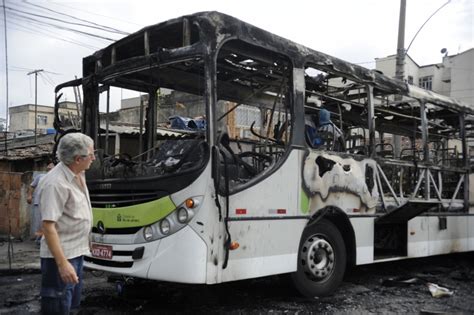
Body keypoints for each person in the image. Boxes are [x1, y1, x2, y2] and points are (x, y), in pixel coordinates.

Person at [38, 133, 95, 314]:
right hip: (61, 257)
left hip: (77, 251)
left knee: (71, 304)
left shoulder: (77, 172)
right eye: (91, 154)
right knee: (58, 303)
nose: (94, 158)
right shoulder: (55, 183)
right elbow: (48, 227)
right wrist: (62, 264)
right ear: (78, 159)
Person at [27, 161, 54, 246]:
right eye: (49, 164)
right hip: (38, 203)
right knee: (38, 223)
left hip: (50, 204)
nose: (50, 166)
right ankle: (39, 241)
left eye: (52, 165)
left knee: (47, 222)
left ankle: (44, 241)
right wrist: (29, 196)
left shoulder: (57, 178)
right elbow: (32, 186)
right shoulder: (40, 177)